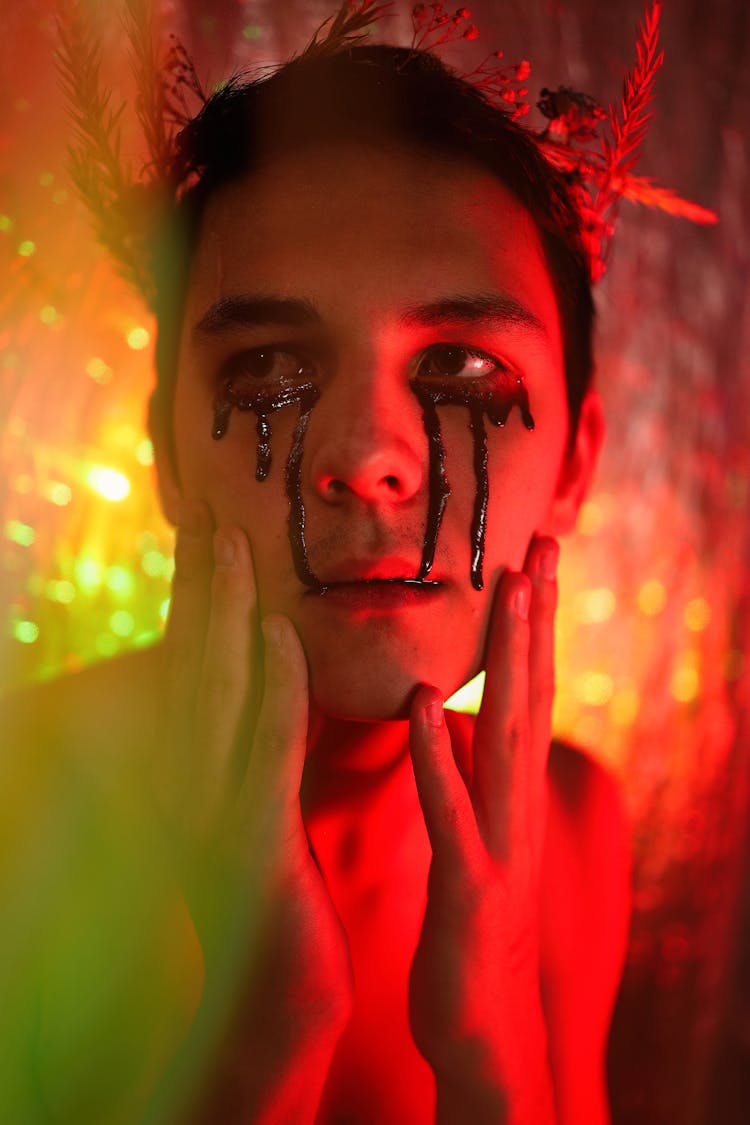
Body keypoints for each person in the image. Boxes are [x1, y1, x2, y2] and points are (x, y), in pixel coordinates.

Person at [2, 16, 633, 1125]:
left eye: (466, 368)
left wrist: (496, 1048)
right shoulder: (29, 807)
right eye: (272, 369)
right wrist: (265, 1023)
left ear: (576, 460)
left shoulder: (572, 825)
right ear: (164, 451)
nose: (363, 459)